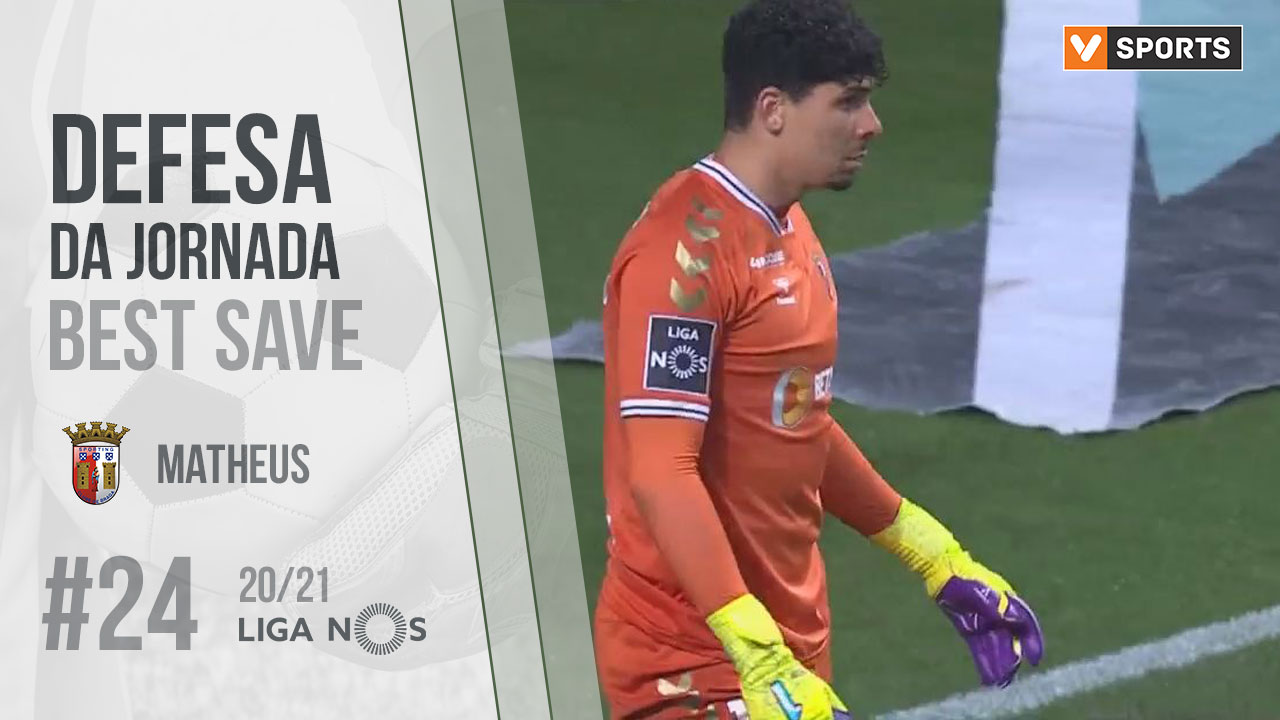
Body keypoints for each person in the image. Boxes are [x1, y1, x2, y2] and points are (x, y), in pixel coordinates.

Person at [593, 0, 1044, 717]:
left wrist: (931, 553)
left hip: (787, 650)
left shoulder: (790, 226)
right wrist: (754, 650)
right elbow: (660, 469)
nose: (871, 125)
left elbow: (793, 421)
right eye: (849, 102)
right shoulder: (682, 257)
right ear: (774, 109)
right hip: (694, 658)